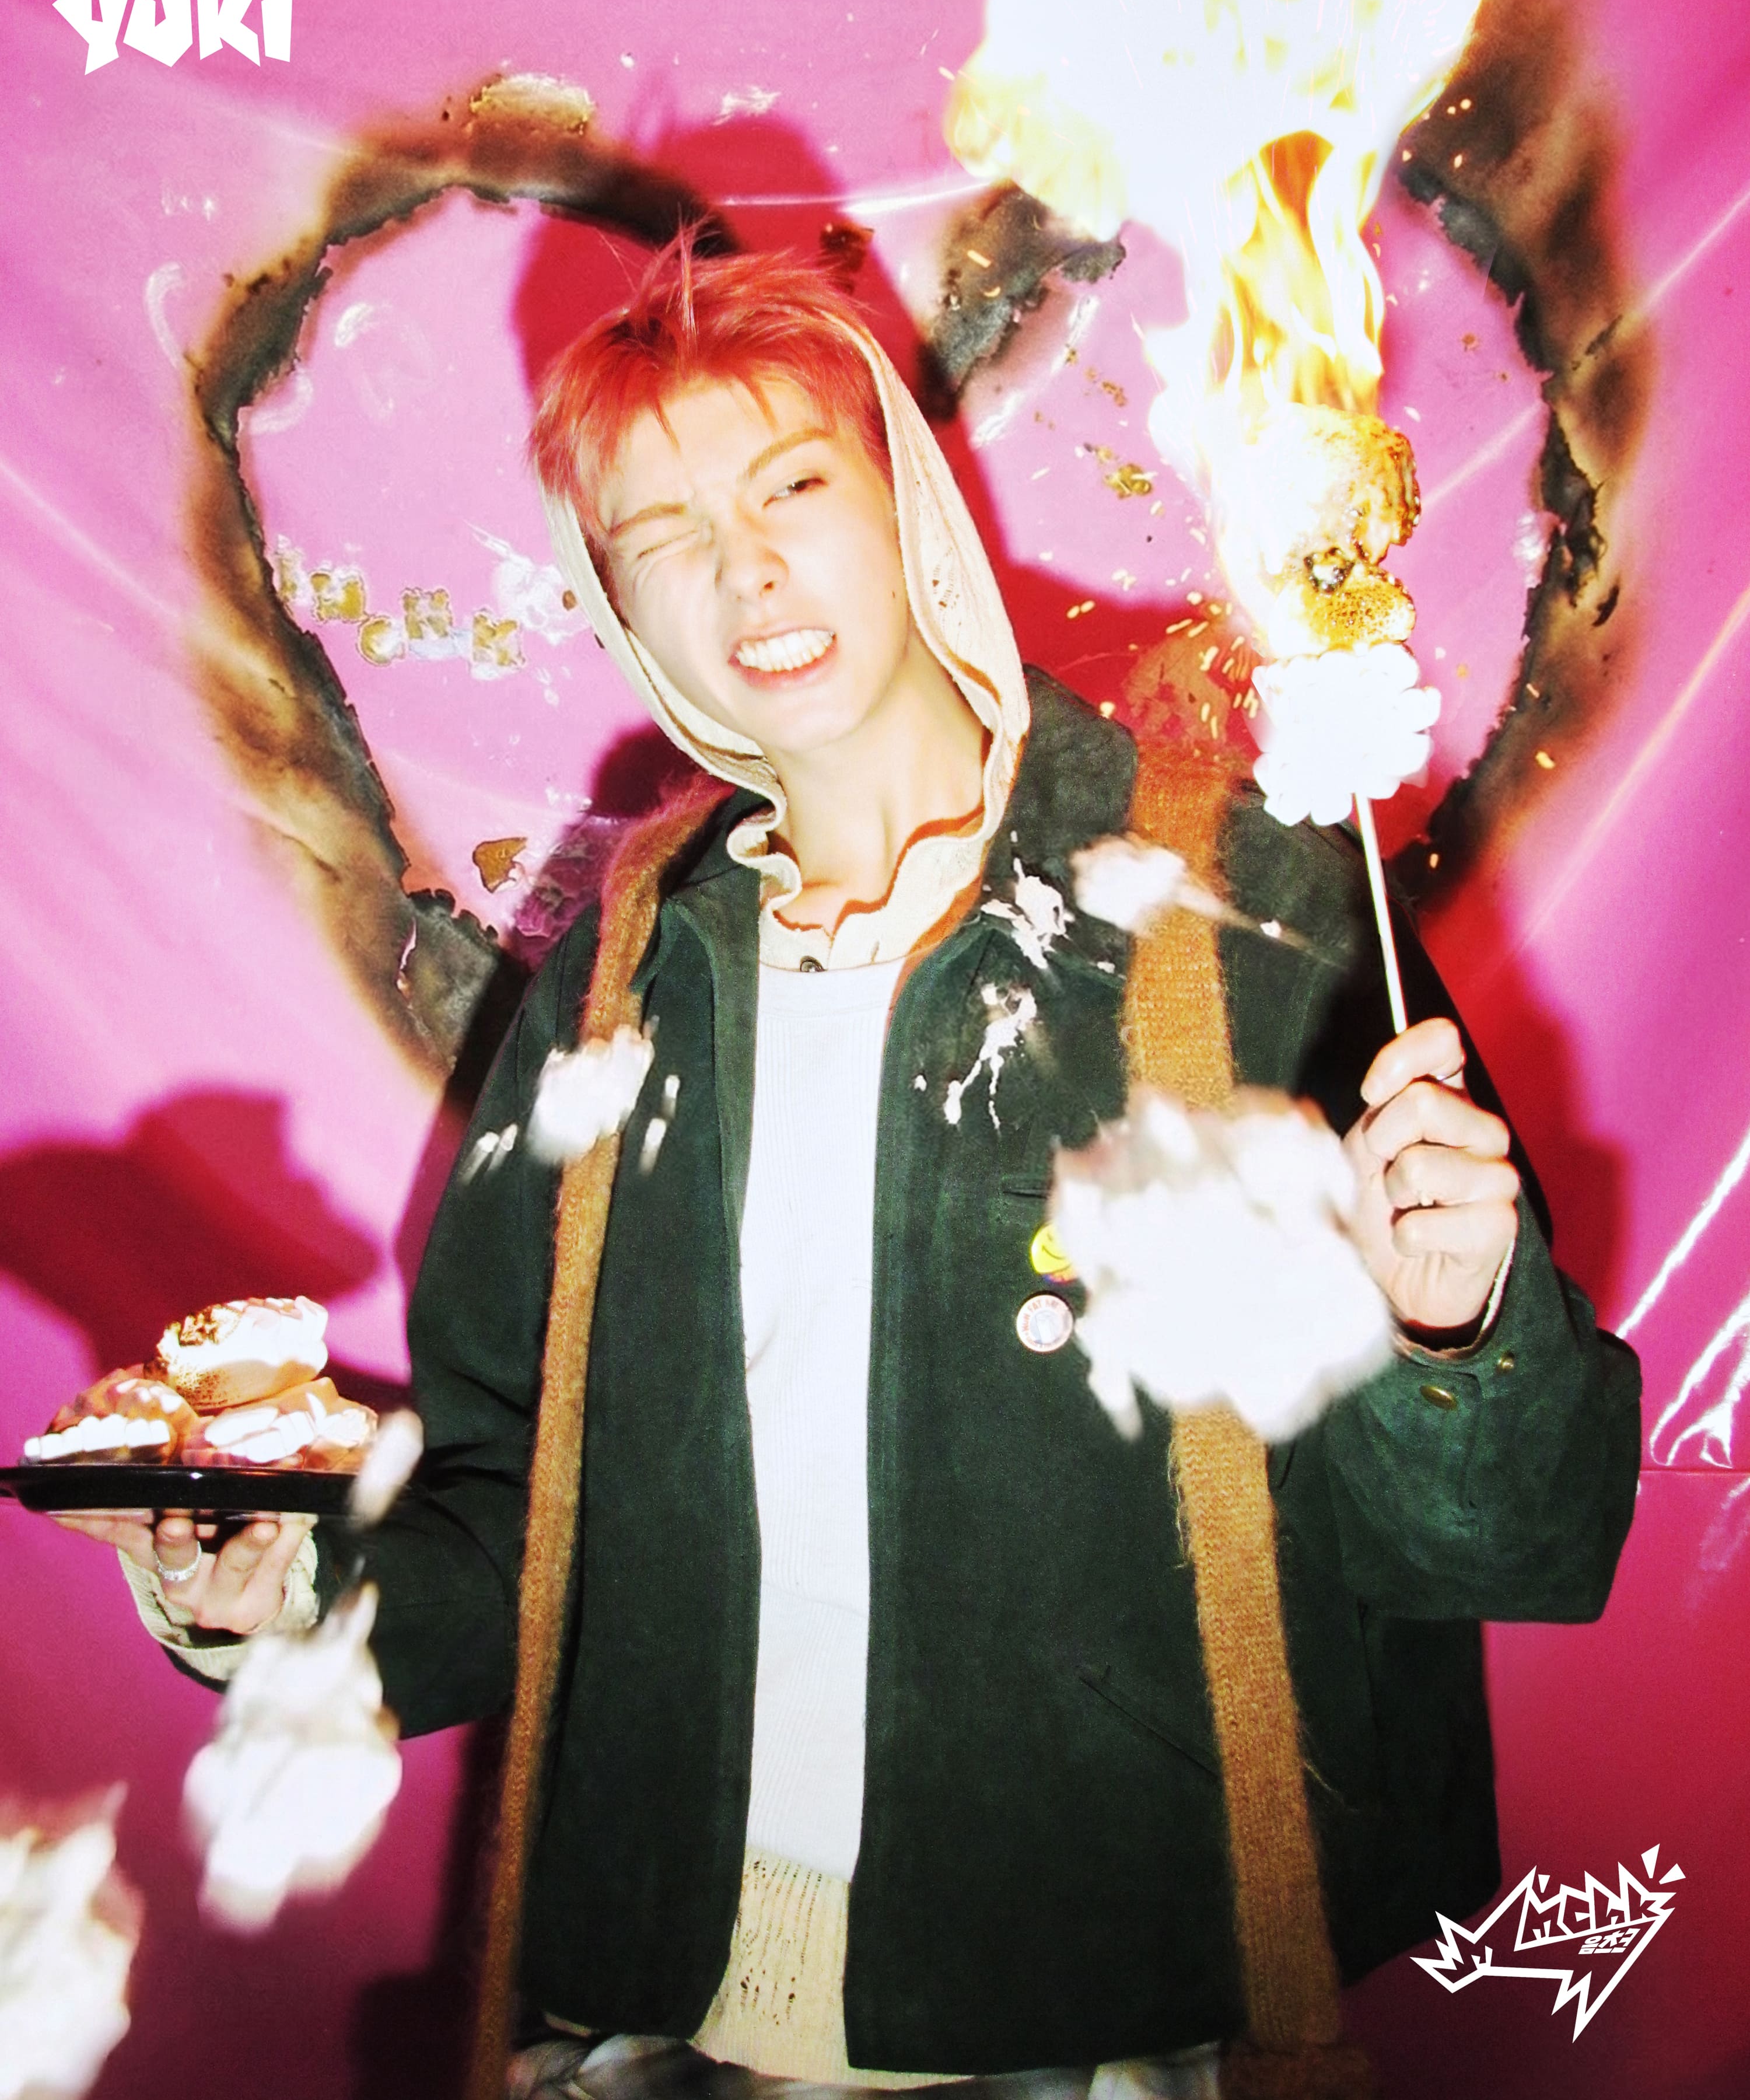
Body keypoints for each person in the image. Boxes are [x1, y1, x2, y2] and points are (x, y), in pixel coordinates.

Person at [71, 240, 1639, 2098]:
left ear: (906, 500)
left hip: (1106, 2012)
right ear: (618, 605)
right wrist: (287, 1598)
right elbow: (519, 1520)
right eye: (660, 534)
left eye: (791, 487)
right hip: (667, 2016)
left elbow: (1522, 1547)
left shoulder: (1244, 913)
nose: (741, 571)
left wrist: (1457, 1330)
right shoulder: (621, 978)